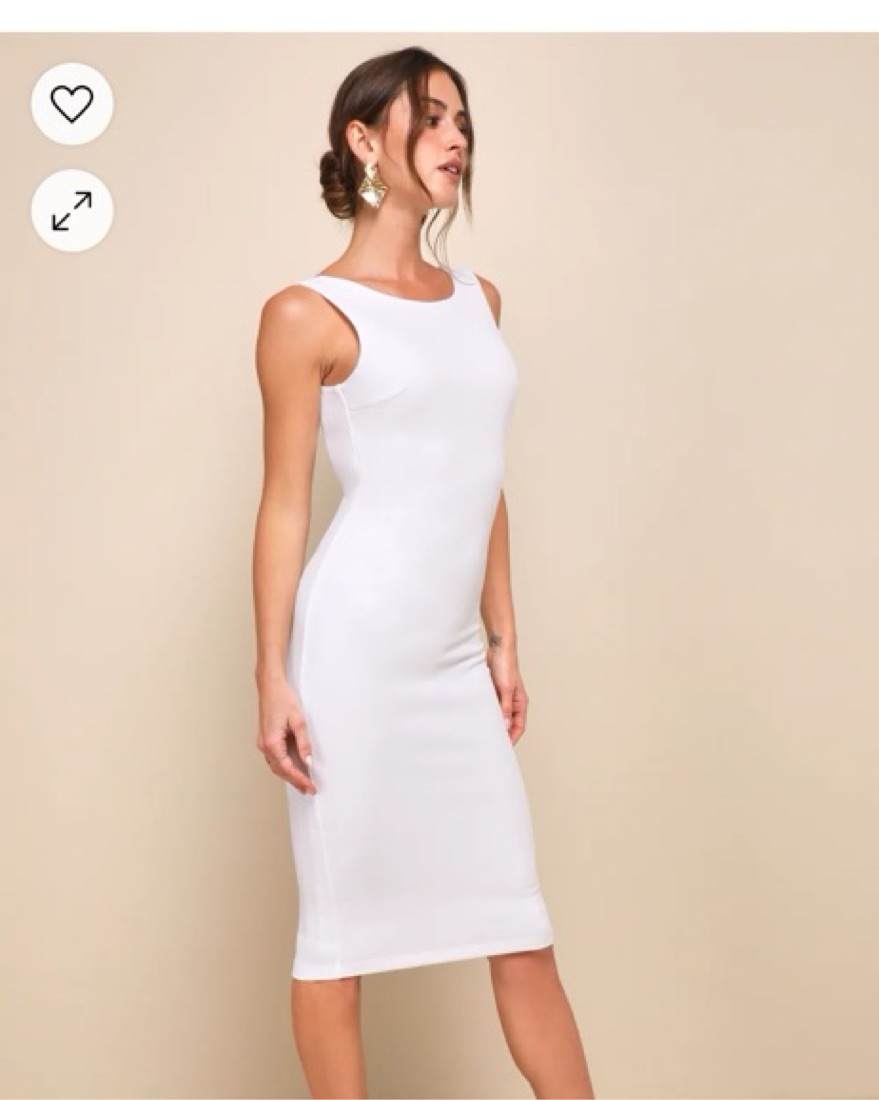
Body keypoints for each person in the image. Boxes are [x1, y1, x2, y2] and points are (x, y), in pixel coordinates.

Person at [252, 45, 595, 1100]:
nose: (456, 139)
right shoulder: (306, 313)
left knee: (518, 927)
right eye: (431, 117)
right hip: (351, 656)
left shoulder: (478, 299)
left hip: (451, 658)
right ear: (364, 140)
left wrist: (503, 637)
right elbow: (284, 504)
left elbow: (480, 477)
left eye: (462, 120)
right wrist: (271, 676)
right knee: (339, 937)